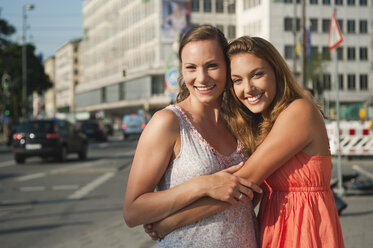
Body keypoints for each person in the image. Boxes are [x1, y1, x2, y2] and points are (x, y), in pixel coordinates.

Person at [144, 36, 345, 248]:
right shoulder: (264, 122)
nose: (247, 88)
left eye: (257, 75)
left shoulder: (299, 111)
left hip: (305, 229)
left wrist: (172, 222)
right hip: (273, 228)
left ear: (276, 72)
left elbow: (244, 181)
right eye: (237, 80)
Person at [123, 25, 261, 248]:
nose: (202, 77)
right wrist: (203, 185)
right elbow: (132, 211)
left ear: (227, 66)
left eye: (212, 66)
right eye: (191, 68)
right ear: (182, 71)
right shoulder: (168, 122)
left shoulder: (241, 122)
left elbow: (250, 195)